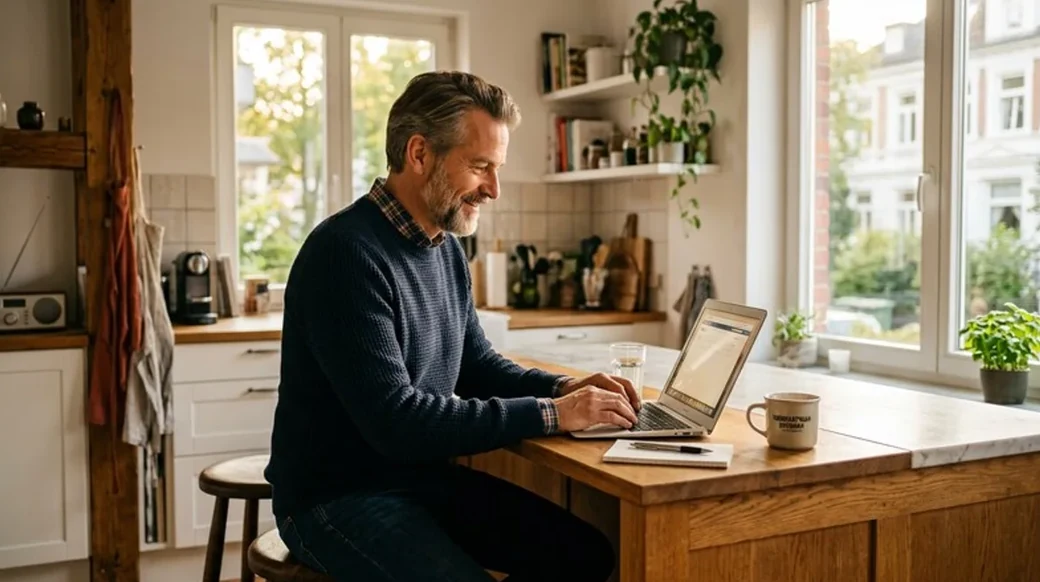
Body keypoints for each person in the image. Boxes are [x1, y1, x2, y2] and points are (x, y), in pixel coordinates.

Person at [264, 70, 642, 582]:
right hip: (334, 500)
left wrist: (566, 388)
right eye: (480, 166)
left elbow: (476, 365)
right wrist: (553, 413)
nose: (494, 188)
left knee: (585, 555)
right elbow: (397, 422)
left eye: (497, 168)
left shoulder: (443, 249)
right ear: (419, 154)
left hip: (419, 484)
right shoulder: (345, 254)